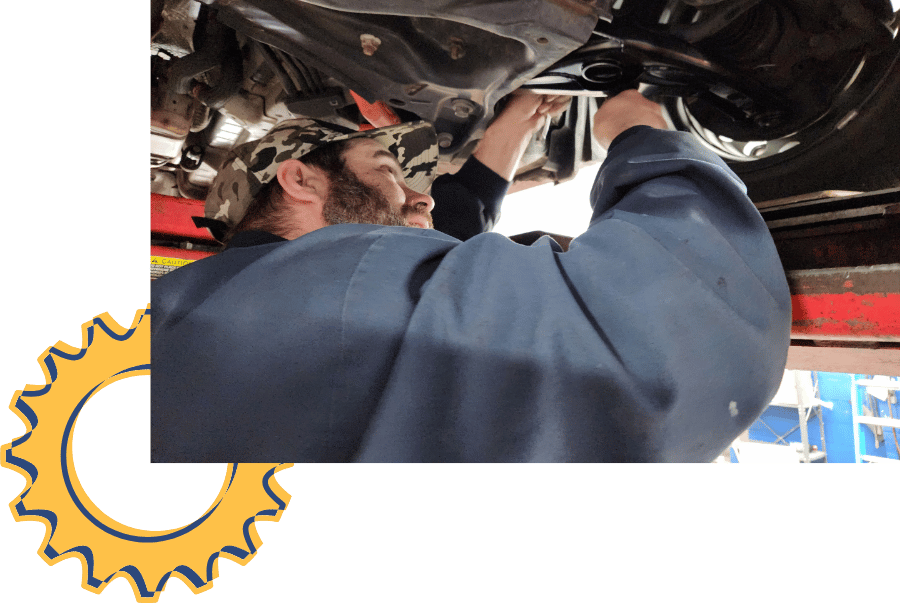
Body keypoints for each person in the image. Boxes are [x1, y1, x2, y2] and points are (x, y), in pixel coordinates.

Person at [151, 90, 791, 464]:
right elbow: (676, 342)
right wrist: (642, 139)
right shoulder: (344, 288)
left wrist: (514, 123)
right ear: (299, 179)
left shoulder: (171, 316)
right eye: (387, 169)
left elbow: (447, 231)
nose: (418, 197)